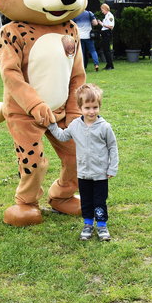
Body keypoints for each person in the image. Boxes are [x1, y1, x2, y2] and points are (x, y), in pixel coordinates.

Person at [46, 82, 118, 241]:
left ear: (99, 106)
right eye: (87, 108)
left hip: (100, 174)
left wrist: (112, 168)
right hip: (83, 174)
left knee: (99, 201)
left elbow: (112, 147)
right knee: (86, 201)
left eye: (95, 107)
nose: (91, 111)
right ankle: (87, 224)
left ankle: (101, 226)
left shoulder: (104, 127)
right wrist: (51, 125)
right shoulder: (75, 125)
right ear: (80, 108)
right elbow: (63, 136)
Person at [98, 3, 115, 70]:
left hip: (107, 33)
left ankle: (110, 65)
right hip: (104, 33)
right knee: (105, 50)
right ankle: (108, 64)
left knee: (107, 50)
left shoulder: (110, 16)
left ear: (105, 9)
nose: (102, 11)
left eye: (102, 10)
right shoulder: (106, 16)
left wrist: (101, 24)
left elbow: (111, 26)